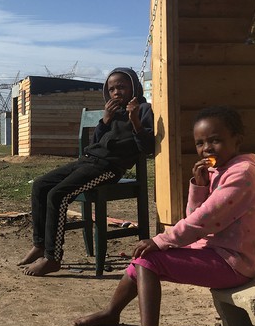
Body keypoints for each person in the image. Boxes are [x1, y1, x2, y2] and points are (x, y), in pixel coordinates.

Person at [73, 105, 255, 326]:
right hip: (213, 252)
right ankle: (112, 312)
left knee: (149, 260)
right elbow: (196, 215)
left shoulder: (242, 174)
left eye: (216, 140)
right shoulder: (220, 170)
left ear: (237, 140)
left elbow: (203, 221)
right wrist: (199, 186)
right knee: (142, 258)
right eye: (200, 143)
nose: (207, 148)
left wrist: (160, 240)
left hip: (232, 262)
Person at [18, 67, 154, 277]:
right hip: (88, 161)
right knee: (40, 185)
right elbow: (96, 142)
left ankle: (53, 258)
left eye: (122, 87)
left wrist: (135, 120)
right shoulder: (111, 112)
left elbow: (147, 148)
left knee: (58, 195)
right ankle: (40, 245)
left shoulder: (143, 109)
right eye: (111, 89)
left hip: (109, 168)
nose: (116, 92)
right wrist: (105, 120)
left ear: (134, 87)